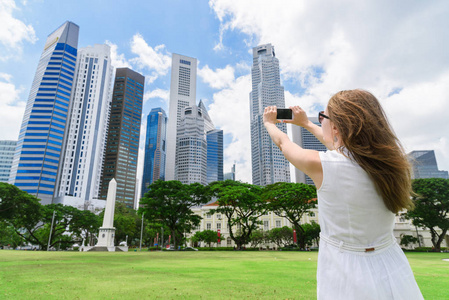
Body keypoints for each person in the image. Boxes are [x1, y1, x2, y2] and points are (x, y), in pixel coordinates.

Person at [263, 89, 423, 300]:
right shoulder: (391, 165)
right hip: (392, 263)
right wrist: (306, 124)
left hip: (346, 267)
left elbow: (284, 143)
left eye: (324, 117)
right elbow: (344, 148)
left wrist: (269, 123)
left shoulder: (324, 165)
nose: (321, 121)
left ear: (337, 126)